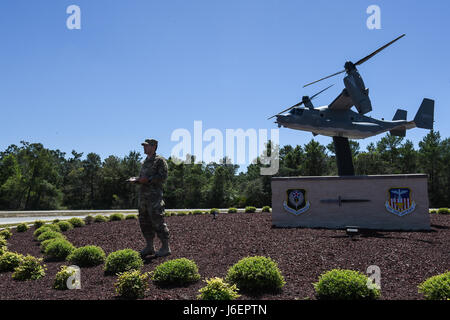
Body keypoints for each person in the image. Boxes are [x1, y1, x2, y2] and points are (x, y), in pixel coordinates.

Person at [129, 139, 170, 258]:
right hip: (143, 198)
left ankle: (165, 247)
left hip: (154, 198)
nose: (144, 148)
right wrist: (137, 180)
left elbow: (163, 176)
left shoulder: (159, 161)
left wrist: (148, 180)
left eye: (146, 146)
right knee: (144, 222)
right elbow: (144, 178)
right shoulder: (145, 162)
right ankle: (149, 247)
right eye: (144, 146)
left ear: (154, 146)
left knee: (158, 221)